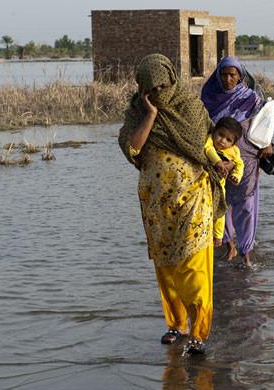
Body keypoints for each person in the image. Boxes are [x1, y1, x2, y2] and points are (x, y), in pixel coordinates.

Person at [118, 54, 227, 356]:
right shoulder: (136, 113)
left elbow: (203, 145)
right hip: (156, 207)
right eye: (151, 89)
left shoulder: (190, 106)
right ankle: (177, 324)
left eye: (163, 85)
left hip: (193, 200)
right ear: (142, 88)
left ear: (171, 79)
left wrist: (222, 164)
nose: (158, 93)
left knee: (193, 268)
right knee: (167, 268)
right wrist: (150, 114)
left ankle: (199, 332)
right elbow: (133, 148)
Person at [201, 56, 274, 268]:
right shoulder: (208, 96)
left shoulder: (250, 98)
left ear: (240, 76)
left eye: (232, 75)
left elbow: (264, 125)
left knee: (246, 206)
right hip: (217, 160)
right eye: (224, 74)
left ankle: (246, 251)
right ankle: (229, 244)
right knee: (219, 202)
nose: (228, 79)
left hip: (247, 161)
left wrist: (268, 143)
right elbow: (202, 129)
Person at [204, 117, 244, 249]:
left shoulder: (234, 150)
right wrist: (218, 162)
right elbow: (207, 149)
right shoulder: (209, 139)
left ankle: (219, 236)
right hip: (204, 183)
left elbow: (239, 164)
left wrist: (236, 176)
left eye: (228, 140)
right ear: (214, 131)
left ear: (233, 143)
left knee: (220, 210)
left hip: (220, 184)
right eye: (220, 135)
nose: (222, 141)